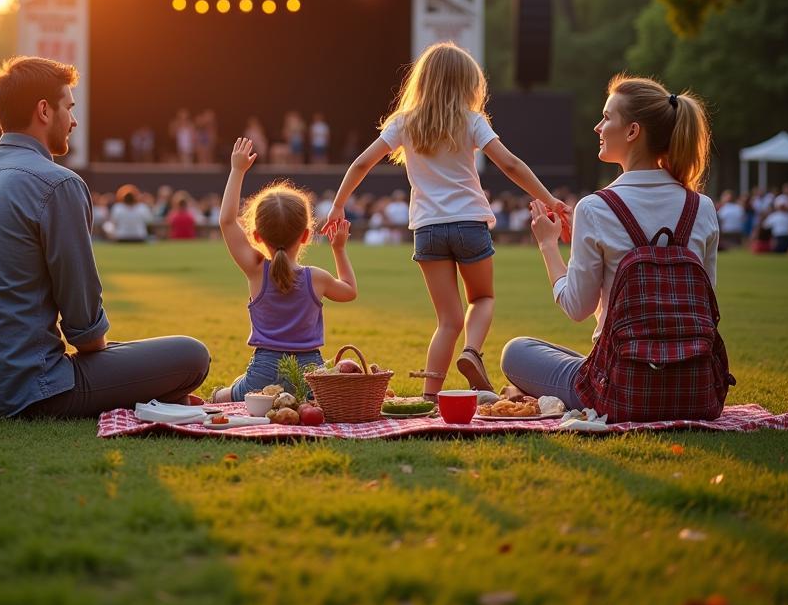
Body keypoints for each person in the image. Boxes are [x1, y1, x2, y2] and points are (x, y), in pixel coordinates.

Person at [0, 56, 210, 418]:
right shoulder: (57, 183)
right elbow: (87, 335)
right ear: (44, 110)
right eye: (69, 108)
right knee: (190, 355)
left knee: (138, 357)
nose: (73, 121)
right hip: (27, 392)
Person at [321, 42, 568, 401]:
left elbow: (361, 163)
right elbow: (511, 164)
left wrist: (338, 205)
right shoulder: (472, 122)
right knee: (482, 298)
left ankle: (429, 397)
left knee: (447, 320)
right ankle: (472, 352)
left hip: (428, 230)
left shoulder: (404, 123)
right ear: (468, 85)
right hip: (469, 224)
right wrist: (549, 199)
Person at [503, 75, 719, 410]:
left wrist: (548, 244)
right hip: (695, 386)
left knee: (517, 352)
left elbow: (577, 307)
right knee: (575, 358)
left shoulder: (596, 207)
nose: (597, 127)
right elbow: (707, 304)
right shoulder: (701, 207)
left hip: (621, 389)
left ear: (632, 131)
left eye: (606, 117)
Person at [211, 137, 357, 401]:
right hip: (310, 375)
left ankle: (224, 395)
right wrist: (339, 249)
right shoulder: (317, 278)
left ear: (256, 236)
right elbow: (349, 291)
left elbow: (227, 221)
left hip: (263, 371)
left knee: (222, 395)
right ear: (305, 235)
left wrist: (237, 171)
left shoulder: (256, 269)